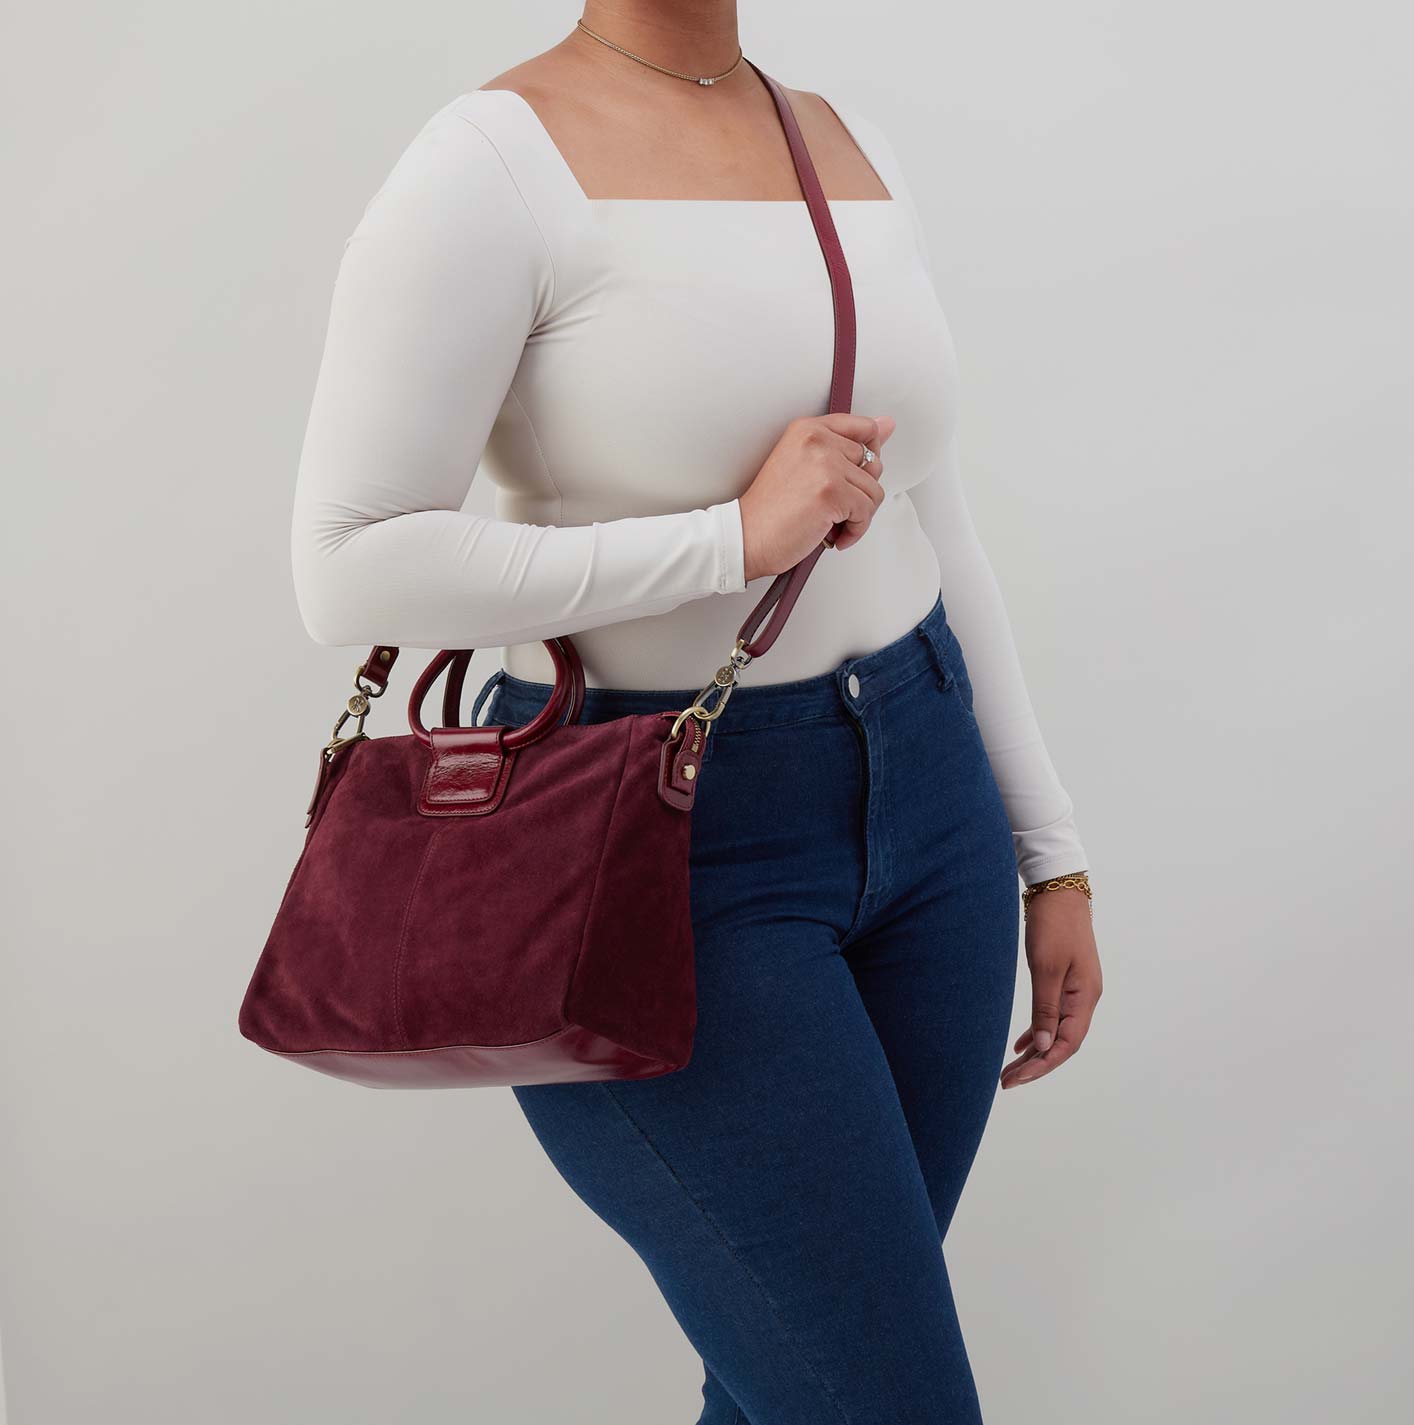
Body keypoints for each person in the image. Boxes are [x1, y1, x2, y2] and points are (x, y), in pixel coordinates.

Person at [289, 4, 1104, 1420]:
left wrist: (1050, 850)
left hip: (931, 808)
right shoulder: (488, 166)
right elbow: (346, 563)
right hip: (651, 851)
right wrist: (729, 541)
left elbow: (933, 518)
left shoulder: (839, 136)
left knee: (795, 1381)